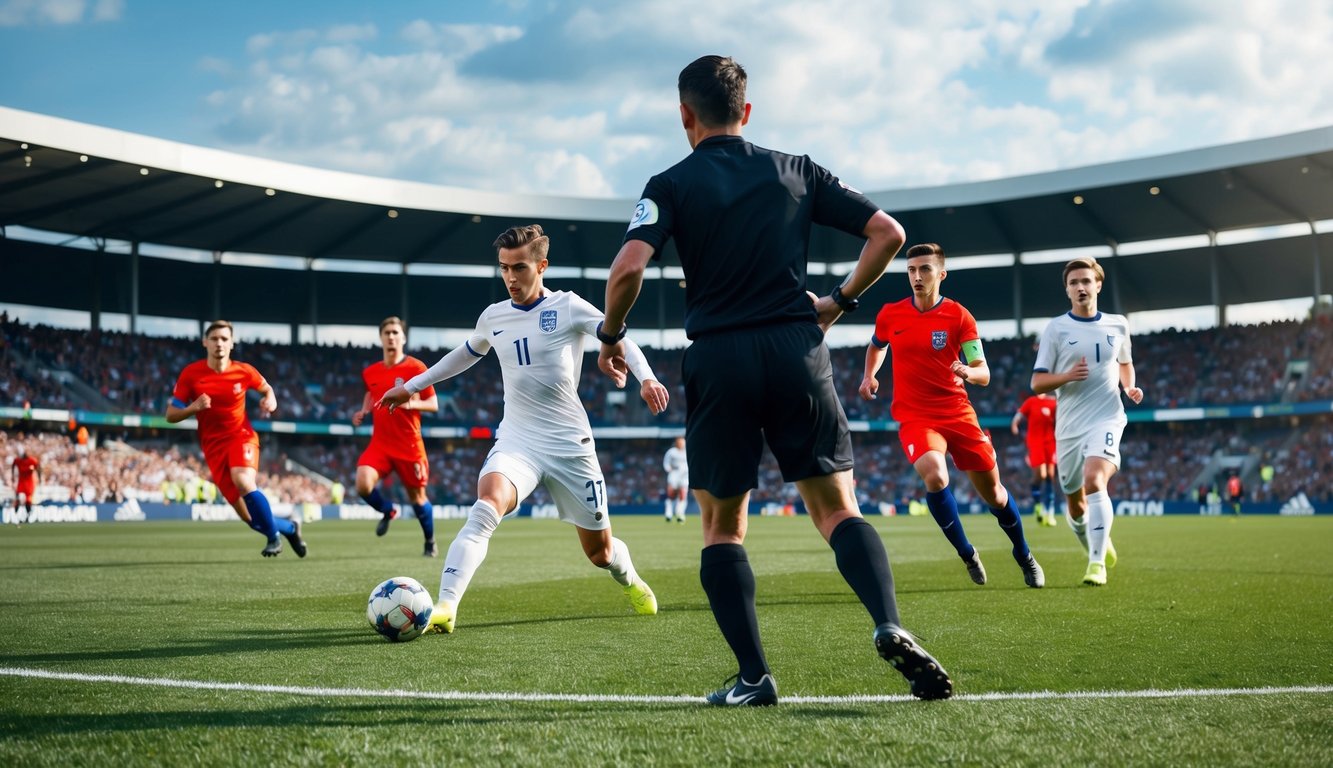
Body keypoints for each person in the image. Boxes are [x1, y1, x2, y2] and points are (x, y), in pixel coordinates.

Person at [597, 55, 951, 705]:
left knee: (722, 529)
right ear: (747, 111)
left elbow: (625, 271)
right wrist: (839, 302)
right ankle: (889, 622)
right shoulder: (797, 169)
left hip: (718, 357)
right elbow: (888, 234)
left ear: (684, 115)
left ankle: (755, 678)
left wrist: (612, 335)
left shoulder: (670, 183)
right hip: (797, 349)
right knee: (837, 509)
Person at [379, 224, 669, 634]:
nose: (511, 278)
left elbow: (618, 335)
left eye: (519, 268)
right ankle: (445, 606)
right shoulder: (493, 316)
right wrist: (410, 387)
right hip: (518, 440)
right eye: (504, 269)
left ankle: (631, 578)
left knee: (600, 553)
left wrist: (648, 378)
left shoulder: (568, 307)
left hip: (571, 445)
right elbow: (465, 354)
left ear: (542, 266)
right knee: (486, 505)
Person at [859, 243, 1044, 590]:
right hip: (916, 416)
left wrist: (967, 371)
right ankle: (967, 553)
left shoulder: (959, 317)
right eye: (912, 270)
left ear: (941, 274)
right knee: (934, 475)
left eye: (925, 269)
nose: (916, 276)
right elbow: (876, 344)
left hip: (958, 414)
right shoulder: (890, 314)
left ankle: (1024, 555)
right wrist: (870, 375)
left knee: (996, 496)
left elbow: (984, 372)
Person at [1031, 257, 1143, 586]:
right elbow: (1036, 384)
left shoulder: (1118, 324)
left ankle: (1096, 564)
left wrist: (1129, 386)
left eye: (1086, 281)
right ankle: (1095, 542)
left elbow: (1125, 363)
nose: (1081, 286)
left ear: (1098, 285)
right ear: (1067, 290)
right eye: (1074, 282)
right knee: (1074, 501)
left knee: (1095, 479)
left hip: (1107, 416)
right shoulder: (1056, 328)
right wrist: (1067, 375)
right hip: (1068, 426)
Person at [166, 320, 307, 558]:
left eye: (224, 339)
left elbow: (267, 389)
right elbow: (170, 415)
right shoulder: (191, 374)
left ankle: (274, 539)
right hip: (213, 447)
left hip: (241, 436)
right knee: (251, 519)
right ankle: (290, 528)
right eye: (214, 339)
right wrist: (194, 407)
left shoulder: (243, 371)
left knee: (242, 480)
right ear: (205, 342)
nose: (219, 343)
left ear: (231, 344)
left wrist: (270, 401)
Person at [351, 316, 441, 556]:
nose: (391, 336)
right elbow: (372, 393)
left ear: (403, 338)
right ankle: (388, 510)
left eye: (395, 332)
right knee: (362, 483)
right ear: (381, 338)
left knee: (417, 498)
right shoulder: (370, 372)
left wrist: (411, 406)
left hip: (409, 445)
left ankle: (430, 540)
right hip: (380, 444)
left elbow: (433, 403)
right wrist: (363, 410)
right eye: (387, 333)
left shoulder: (416, 368)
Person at [1011, 392, 1059, 526]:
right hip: (1035, 441)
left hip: (1050, 441)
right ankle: (1038, 505)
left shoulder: (1054, 402)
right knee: (1041, 475)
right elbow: (1020, 414)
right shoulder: (1031, 401)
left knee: (1050, 475)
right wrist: (1015, 423)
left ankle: (1050, 512)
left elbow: (1060, 418)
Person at [11, 445, 40, 524]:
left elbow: (38, 467)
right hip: (21, 482)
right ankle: (15, 516)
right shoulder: (18, 460)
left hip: (29, 483)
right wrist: (12, 476)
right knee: (18, 498)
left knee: (28, 500)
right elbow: (13, 465)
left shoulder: (32, 460)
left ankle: (28, 516)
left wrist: (38, 476)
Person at [662, 435, 688, 523]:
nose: (682, 444)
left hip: (684, 475)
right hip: (674, 474)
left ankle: (680, 514)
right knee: (671, 495)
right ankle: (668, 514)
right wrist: (668, 469)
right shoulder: (671, 452)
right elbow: (666, 463)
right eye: (680, 442)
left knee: (683, 495)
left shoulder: (687, 451)